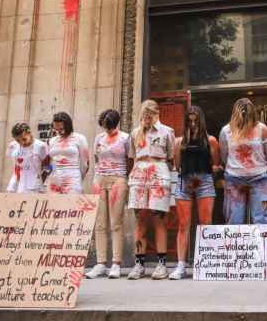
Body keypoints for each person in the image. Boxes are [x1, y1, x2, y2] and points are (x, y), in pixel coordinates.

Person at [219, 98, 267, 279]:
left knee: (264, 220)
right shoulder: (226, 131)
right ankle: (235, 264)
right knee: (234, 221)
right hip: (234, 179)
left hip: (259, 179)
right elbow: (224, 155)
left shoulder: (262, 129)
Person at [169, 106, 221, 280]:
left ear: (201, 121)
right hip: (185, 181)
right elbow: (176, 166)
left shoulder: (211, 140)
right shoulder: (179, 142)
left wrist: (211, 170)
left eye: (195, 120)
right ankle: (181, 265)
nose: (192, 123)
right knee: (184, 224)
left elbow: (216, 164)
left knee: (206, 222)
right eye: (189, 120)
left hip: (204, 180)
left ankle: (206, 263)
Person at [127, 100, 176, 280]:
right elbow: (132, 157)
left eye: (150, 113)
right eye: (144, 113)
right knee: (140, 219)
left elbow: (171, 157)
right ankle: (139, 264)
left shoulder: (167, 132)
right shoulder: (134, 133)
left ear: (157, 113)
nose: (147, 117)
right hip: (139, 174)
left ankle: (161, 264)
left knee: (159, 220)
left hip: (159, 172)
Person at [85, 110, 131, 280]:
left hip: (118, 178)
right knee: (99, 223)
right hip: (100, 179)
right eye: (105, 127)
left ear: (116, 123)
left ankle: (116, 263)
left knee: (116, 222)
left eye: (110, 127)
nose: (107, 130)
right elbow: (97, 159)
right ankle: (100, 262)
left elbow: (129, 159)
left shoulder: (125, 138)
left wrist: (126, 179)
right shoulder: (99, 138)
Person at [47, 112, 89, 194]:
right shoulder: (52, 140)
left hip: (72, 178)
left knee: (71, 204)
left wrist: (78, 178)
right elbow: (50, 161)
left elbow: (85, 163)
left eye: (61, 129)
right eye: (56, 129)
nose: (58, 132)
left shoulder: (79, 138)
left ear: (68, 126)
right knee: (53, 206)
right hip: (55, 178)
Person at [6, 122, 49, 193]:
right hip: (17, 185)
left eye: (24, 139)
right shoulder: (12, 146)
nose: (22, 143)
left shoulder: (41, 146)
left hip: (35, 186)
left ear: (29, 133)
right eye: (18, 140)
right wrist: (14, 183)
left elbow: (48, 166)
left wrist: (41, 182)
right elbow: (16, 166)